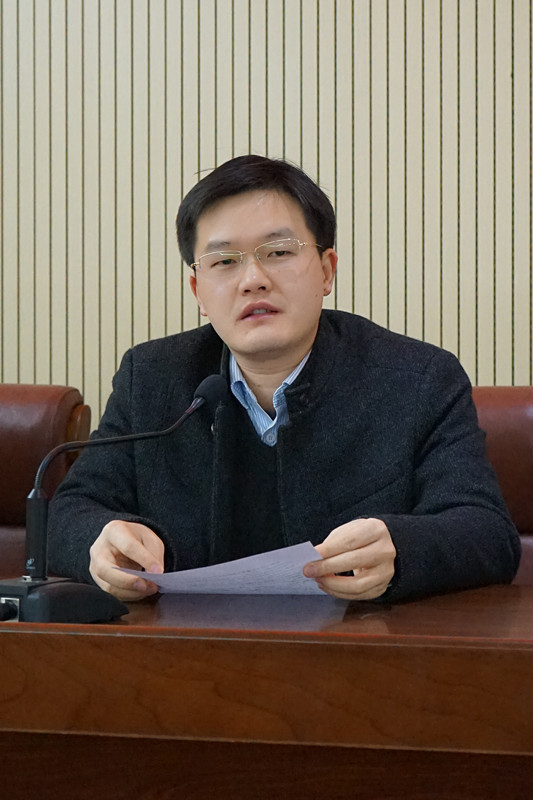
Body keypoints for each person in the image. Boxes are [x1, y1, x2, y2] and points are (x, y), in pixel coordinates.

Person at [48, 155, 521, 602]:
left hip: (359, 647)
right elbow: (70, 513)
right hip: (185, 648)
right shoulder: (151, 377)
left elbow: (487, 532)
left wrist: (402, 548)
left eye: (277, 252)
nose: (252, 279)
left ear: (327, 271)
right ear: (198, 291)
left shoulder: (418, 380)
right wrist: (101, 542)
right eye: (224, 261)